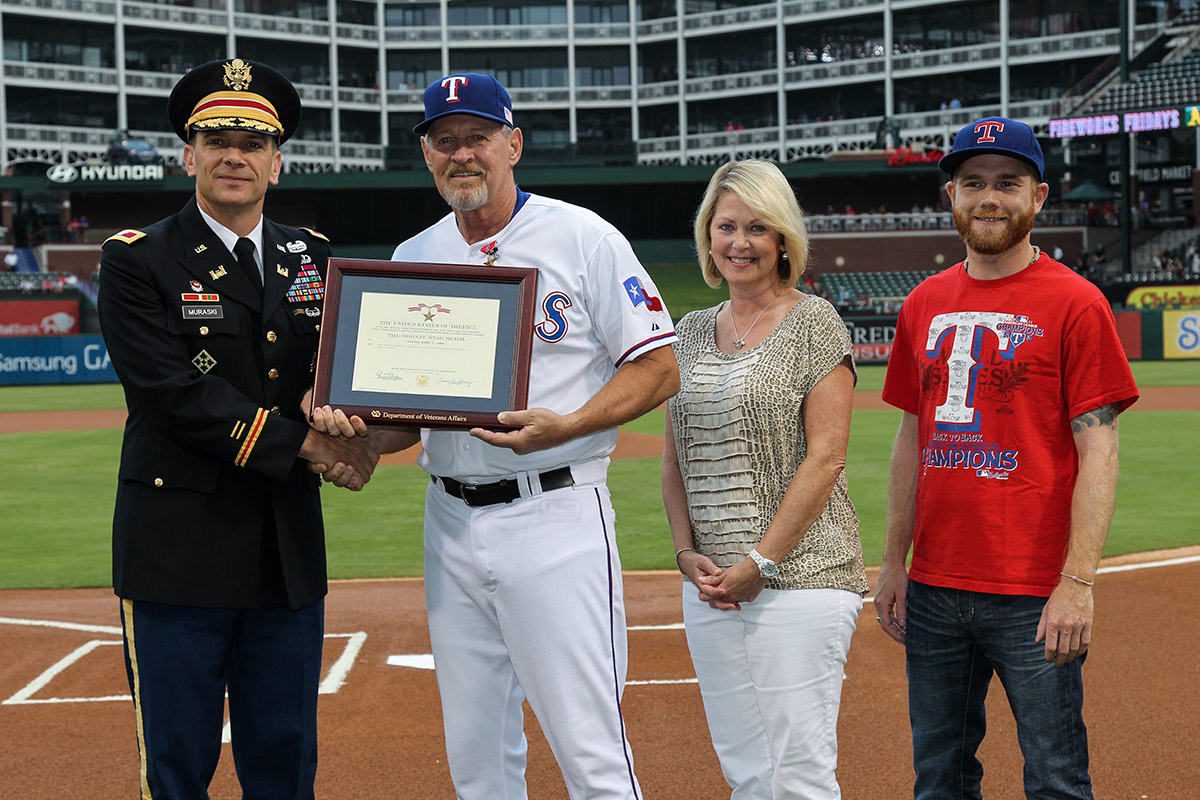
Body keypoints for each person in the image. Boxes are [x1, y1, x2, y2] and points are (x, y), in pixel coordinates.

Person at [312, 72, 678, 799]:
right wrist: (353, 436)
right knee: (477, 758)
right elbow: (405, 419)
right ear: (426, 156)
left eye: (478, 136)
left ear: (512, 143)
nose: (462, 154)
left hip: (556, 515)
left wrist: (567, 426)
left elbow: (660, 369)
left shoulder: (583, 236)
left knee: (590, 750)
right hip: (448, 520)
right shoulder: (414, 253)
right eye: (444, 141)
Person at [96, 57, 378, 800]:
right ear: (188, 155)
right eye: (216, 138)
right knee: (180, 765)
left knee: (285, 763)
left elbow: (345, 380)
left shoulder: (313, 257)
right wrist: (311, 445)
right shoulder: (136, 261)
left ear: (276, 163)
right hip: (177, 557)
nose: (233, 155)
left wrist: (366, 431)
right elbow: (170, 394)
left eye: (252, 143)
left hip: (283, 556)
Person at [874, 116, 1139, 799]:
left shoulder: (1076, 302)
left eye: (1007, 184)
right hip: (934, 588)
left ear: (1038, 198)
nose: (989, 198)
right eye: (972, 184)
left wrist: (1077, 581)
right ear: (951, 198)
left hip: (1033, 590)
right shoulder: (922, 303)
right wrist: (894, 562)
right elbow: (913, 439)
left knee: (1054, 779)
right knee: (939, 778)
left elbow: (1099, 445)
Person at [661, 159, 867, 799]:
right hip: (714, 585)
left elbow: (827, 457)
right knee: (745, 772)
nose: (739, 243)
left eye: (757, 228)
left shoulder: (814, 322)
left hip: (802, 578)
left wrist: (762, 560)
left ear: (783, 241)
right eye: (726, 227)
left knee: (800, 773)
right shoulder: (690, 331)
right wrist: (684, 552)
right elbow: (674, 459)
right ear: (707, 237)